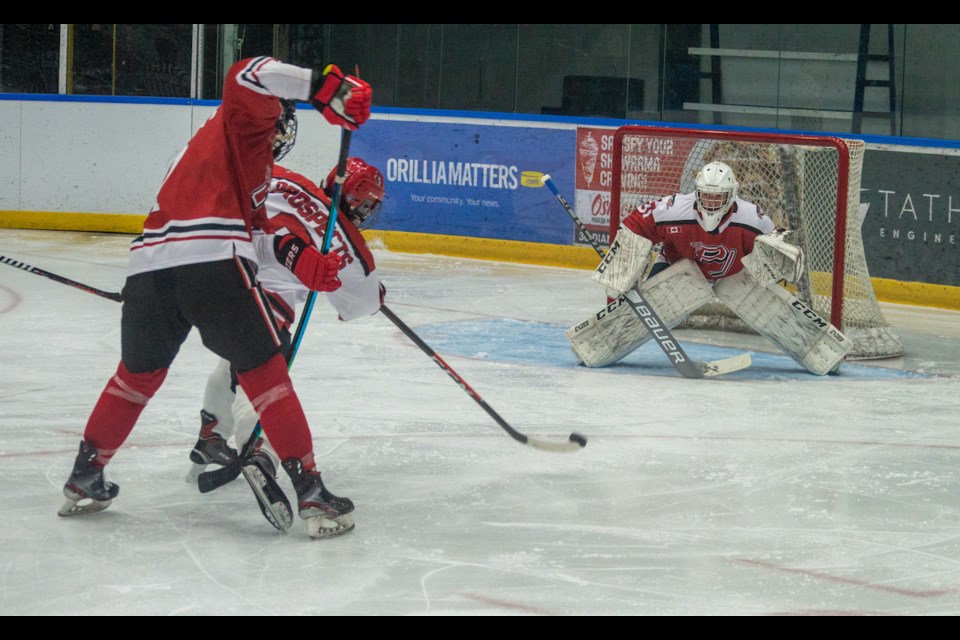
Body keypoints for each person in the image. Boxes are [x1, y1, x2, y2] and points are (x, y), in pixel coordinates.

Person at [58, 55, 373, 541]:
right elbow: (249, 70)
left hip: (150, 265)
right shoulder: (243, 119)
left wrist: (302, 260)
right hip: (214, 263)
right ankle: (312, 493)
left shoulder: (232, 168)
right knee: (266, 372)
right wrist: (324, 88)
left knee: (136, 376)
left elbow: (261, 234)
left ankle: (84, 477)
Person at [188, 158, 386, 535]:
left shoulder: (283, 179)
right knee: (265, 374)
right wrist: (376, 295)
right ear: (358, 203)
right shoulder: (343, 238)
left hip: (214, 270)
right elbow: (360, 302)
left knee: (234, 363)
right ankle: (259, 451)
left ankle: (211, 435)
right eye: (368, 205)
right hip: (263, 299)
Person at [567, 161, 853, 375]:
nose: (711, 202)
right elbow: (634, 226)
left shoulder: (753, 218)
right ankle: (595, 344)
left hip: (736, 276)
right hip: (678, 270)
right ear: (697, 192)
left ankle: (826, 355)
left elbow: (773, 246)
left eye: (718, 197)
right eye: (706, 195)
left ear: (732, 195)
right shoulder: (672, 209)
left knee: (775, 310)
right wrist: (621, 281)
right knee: (636, 310)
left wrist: (772, 271)